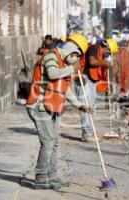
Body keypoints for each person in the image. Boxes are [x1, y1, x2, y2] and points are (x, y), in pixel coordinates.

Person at [25, 41, 92, 190]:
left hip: (53, 105)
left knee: (54, 142)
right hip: (39, 105)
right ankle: (41, 177)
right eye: (74, 56)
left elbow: (65, 89)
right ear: (69, 53)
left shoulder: (64, 63)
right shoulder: (51, 56)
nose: (75, 60)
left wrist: (79, 105)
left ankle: (52, 176)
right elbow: (52, 73)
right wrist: (70, 69)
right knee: (48, 142)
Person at [75, 39, 118, 142]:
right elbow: (92, 61)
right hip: (83, 80)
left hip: (90, 81)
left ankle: (90, 131)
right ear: (106, 48)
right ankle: (87, 133)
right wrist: (105, 62)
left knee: (91, 106)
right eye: (108, 53)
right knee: (86, 107)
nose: (107, 56)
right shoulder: (93, 48)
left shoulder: (100, 54)